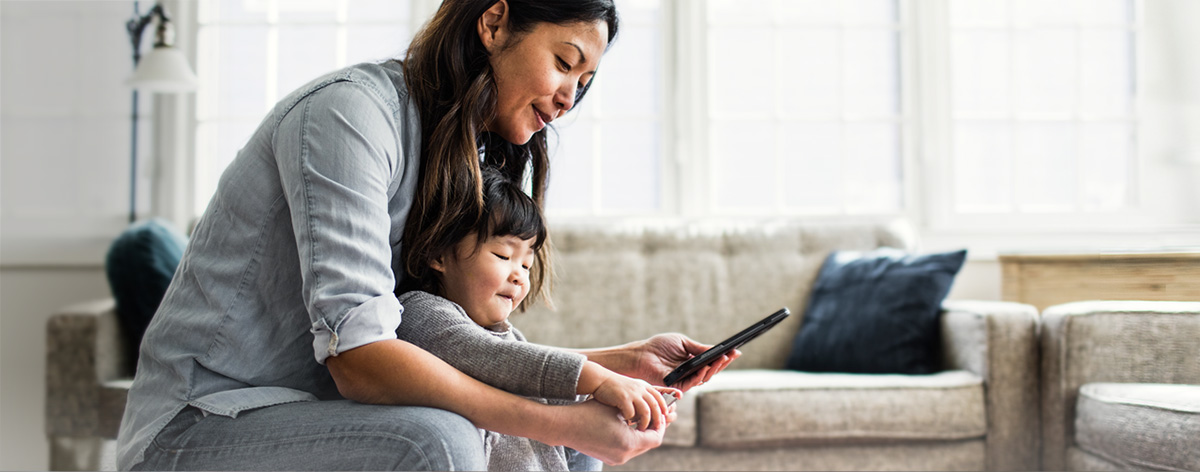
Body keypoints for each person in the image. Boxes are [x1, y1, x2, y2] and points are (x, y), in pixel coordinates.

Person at [115, 0, 739, 470]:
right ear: (494, 23)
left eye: (585, 81)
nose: (569, 98)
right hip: (201, 422)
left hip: (316, 408)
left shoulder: (461, 152)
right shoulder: (349, 115)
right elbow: (360, 359)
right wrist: (561, 420)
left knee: (570, 445)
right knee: (439, 440)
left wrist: (617, 365)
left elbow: (446, 340)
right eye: (564, 63)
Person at [395, 166, 683, 470]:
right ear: (439, 255)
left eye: (527, 265)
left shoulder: (508, 336)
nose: (519, 276)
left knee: (587, 442)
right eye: (504, 256)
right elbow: (496, 359)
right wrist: (602, 379)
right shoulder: (420, 313)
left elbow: (545, 385)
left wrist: (630, 401)